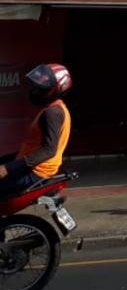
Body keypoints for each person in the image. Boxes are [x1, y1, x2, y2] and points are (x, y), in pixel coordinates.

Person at [0, 63, 73, 199]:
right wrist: (7, 160)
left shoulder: (52, 113)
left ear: (55, 89)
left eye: (41, 87)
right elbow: (34, 146)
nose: (35, 90)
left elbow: (49, 150)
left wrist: (8, 168)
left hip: (36, 172)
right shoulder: (54, 108)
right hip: (32, 167)